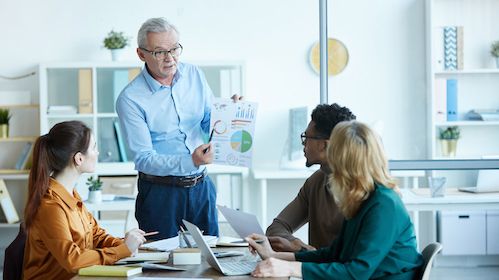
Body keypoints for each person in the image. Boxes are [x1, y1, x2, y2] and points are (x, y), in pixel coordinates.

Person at [247, 121, 423, 279]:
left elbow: (356, 272)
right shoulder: (360, 197)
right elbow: (334, 253)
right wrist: (275, 257)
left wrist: (291, 269)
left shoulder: (384, 204)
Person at [116, 18, 241, 240]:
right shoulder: (130, 99)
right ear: (141, 54)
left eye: (175, 49)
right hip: (160, 193)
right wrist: (191, 161)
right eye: (159, 52)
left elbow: (207, 122)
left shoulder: (194, 74)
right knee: (160, 264)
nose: (170, 58)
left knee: (211, 259)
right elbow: (143, 158)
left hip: (201, 188)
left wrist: (228, 113)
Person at [22, 121, 146, 280]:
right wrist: (122, 251)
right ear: (79, 158)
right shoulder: (51, 205)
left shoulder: (71, 195)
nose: (98, 152)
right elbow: (72, 260)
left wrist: (124, 245)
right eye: (94, 147)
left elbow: (96, 236)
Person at [266, 103, 355, 252]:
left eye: (307, 137)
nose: (304, 144)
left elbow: (356, 263)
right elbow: (277, 228)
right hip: (317, 273)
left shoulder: (362, 189)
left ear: (325, 145)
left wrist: (305, 253)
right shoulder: (316, 181)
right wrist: (298, 246)